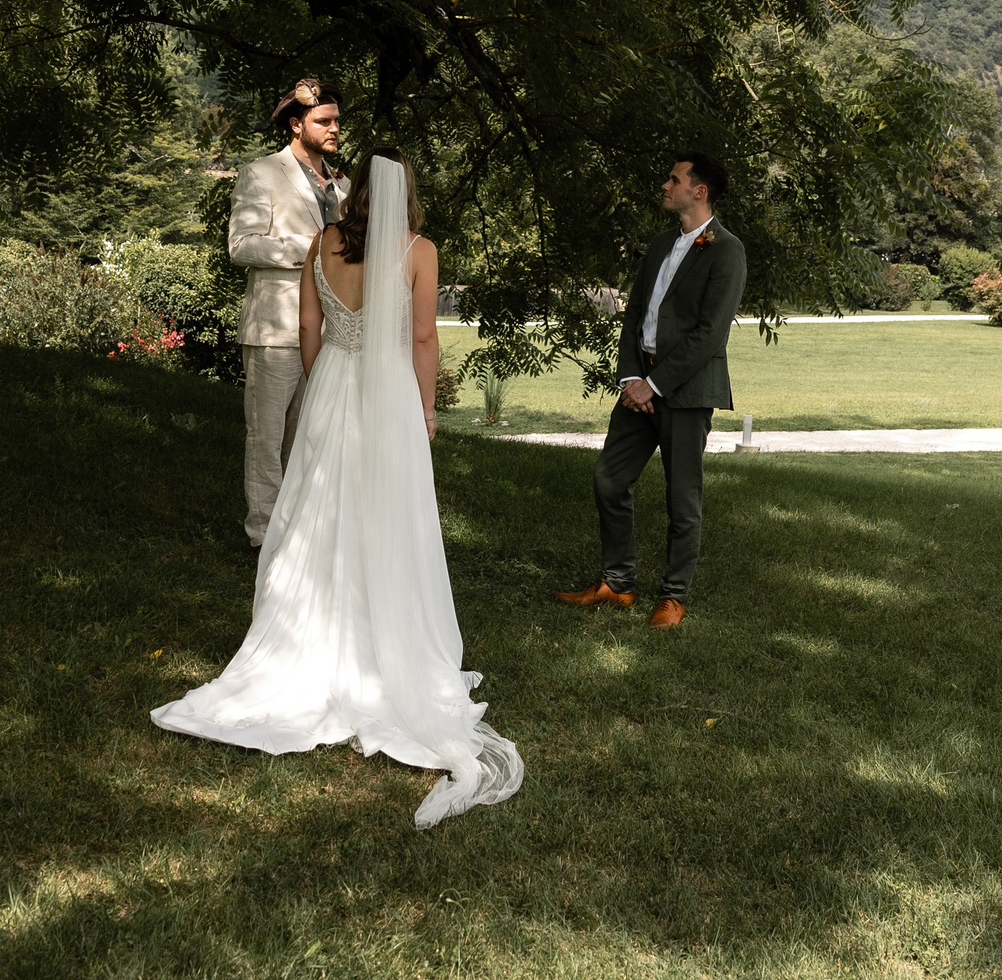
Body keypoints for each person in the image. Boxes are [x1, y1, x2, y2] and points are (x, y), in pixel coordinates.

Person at [154, 148, 522, 828]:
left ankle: (314, 635)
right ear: (404, 193)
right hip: (386, 395)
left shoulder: (322, 243)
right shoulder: (418, 249)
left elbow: (307, 329)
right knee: (385, 516)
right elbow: (420, 339)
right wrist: (427, 407)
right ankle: (385, 641)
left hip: (333, 387)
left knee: (319, 515)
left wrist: (326, 384)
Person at [556, 151, 748, 630]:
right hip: (637, 386)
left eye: (674, 179)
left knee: (683, 496)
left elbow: (709, 334)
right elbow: (636, 312)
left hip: (684, 391)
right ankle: (618, 583)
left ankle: (673, 597)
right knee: (609, 478)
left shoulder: (726, 249)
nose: (665, 185)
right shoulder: (662, 242)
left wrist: (655, 385)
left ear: (698, 190)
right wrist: (630, 379)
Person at [225, 79, 349, 548]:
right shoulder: (261, 173)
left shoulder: (344, 185)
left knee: (309, 436)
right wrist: (312, 249)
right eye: (325, 121)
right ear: (297, 125)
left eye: (336, 120)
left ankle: (298, 531)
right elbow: (241, 245)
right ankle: (263, 534)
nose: (335, 128)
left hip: (328, 333)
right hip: (274, 329)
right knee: (266, 437)